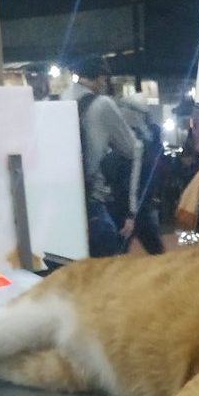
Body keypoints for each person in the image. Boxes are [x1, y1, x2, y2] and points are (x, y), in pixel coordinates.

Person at [62, 56, 143, 258]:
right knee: (106, 275)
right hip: (92, 205)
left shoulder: (61, 99)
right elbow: (134, 150)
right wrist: (131, 211)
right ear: (99, 78)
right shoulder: (102, 104)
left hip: (62, 205)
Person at [116, 93, 165, 255]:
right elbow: (133, 179)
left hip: (135, 204)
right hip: (131, 205)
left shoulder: (138, 138)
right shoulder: (133, 141)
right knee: (155, 250)